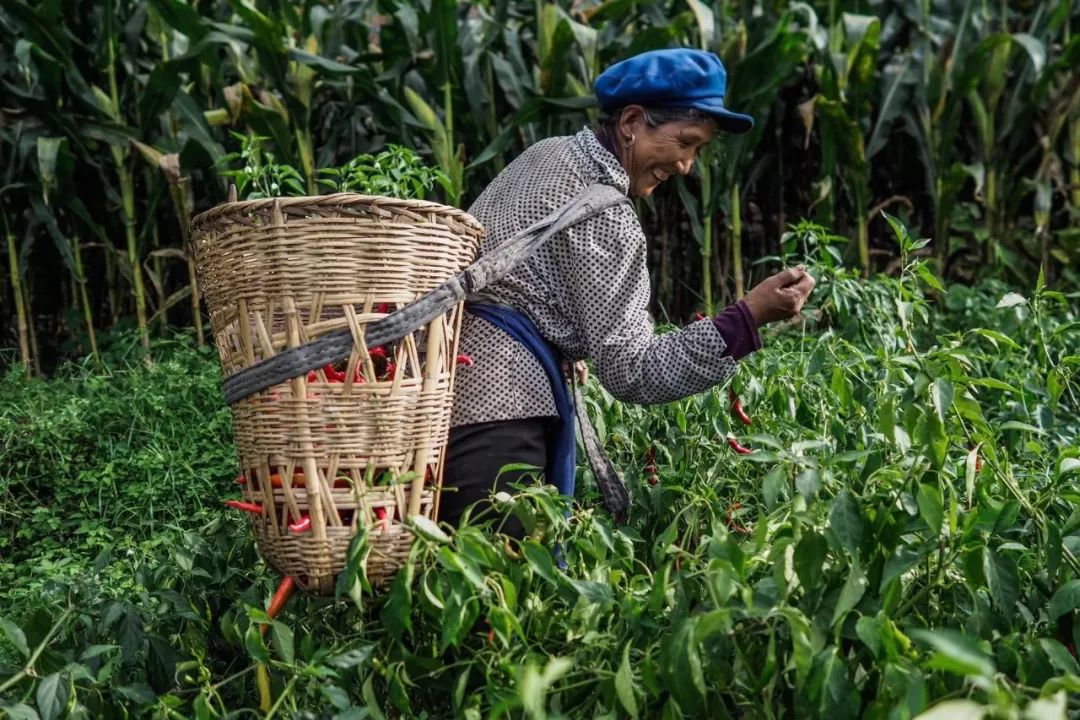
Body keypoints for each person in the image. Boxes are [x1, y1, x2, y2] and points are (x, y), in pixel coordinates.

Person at [440, 48, 816, 535]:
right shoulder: (604, 213)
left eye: (698, 151)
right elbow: (633, 370)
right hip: (504, 409)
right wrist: (746, 318)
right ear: (632, 122)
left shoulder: (545, 154)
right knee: (496, 586)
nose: (685, 166)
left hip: (445, 389)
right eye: (685, 142)